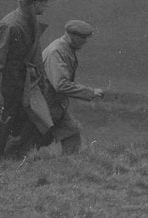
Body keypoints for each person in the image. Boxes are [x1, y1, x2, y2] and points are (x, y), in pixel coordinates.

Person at [0, 0, 56, 163]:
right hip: (1, 88)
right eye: (45, 2)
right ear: (35, 3)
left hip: (20, 86)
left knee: (33, 126)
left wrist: (42, 85)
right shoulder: (9, 26)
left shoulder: (31, 22)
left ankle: (11, 163)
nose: (47, 6)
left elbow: (35, 57)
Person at [42, 20, 105, 155]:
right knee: (25, 142)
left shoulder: (65, 49)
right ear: (72, 36)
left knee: (71, 131)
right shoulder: (56, 52)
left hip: (54, 105)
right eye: (83, 38)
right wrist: (90, 92)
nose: (85, 41)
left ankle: (69, 165)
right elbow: (61, 84)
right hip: (43, 107)